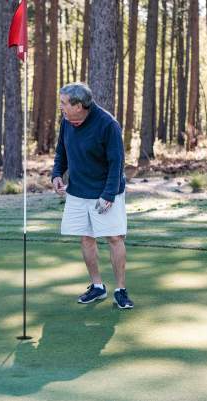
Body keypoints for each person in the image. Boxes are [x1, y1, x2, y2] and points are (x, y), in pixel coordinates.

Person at [51, 82, 134, 309]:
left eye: (64, 103)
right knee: (86, 237)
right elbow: (62, 152)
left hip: (105, 192)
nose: (61, 107)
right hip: (78, 192)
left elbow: (116, 163)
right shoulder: (66, 123)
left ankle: (120, 290)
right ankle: (97, 286)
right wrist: (57, 174)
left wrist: (108, 194)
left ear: (79, 105)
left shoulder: (108, 124)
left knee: (114, 238)